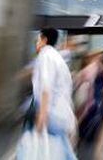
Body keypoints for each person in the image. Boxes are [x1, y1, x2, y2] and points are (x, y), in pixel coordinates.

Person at [33, 28, 77, 159]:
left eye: (38, 39)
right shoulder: (58, 57)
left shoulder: (45, 56)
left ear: (44, 40)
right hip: (62, 115)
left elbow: (46, 87)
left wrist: (42, 115)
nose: (36, 43)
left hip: (53, 115)